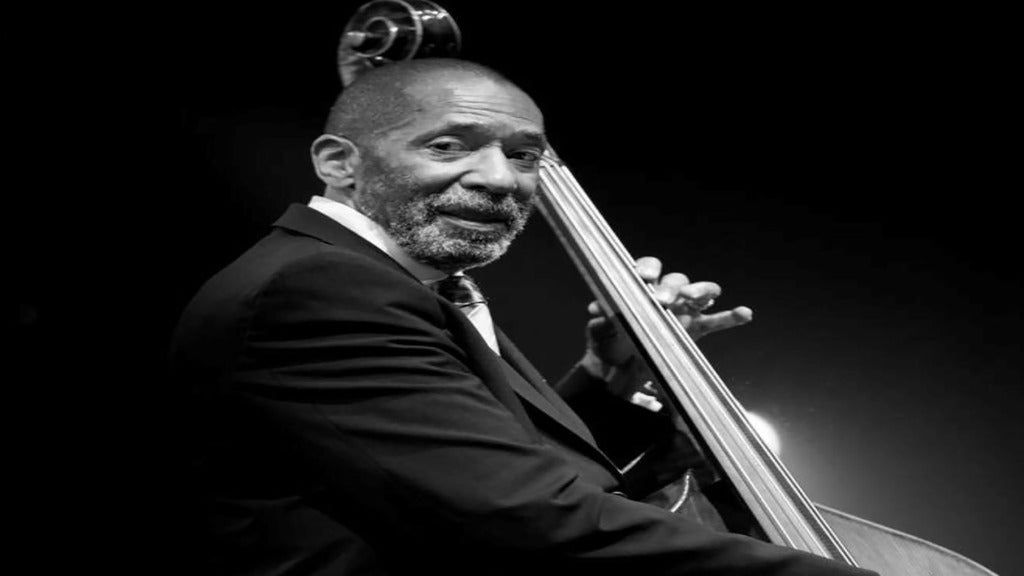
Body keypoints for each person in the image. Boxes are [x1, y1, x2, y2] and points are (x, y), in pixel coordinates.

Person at [171, 57, 878, 575]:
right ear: (338, 163)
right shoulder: (319, 290)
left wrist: (605, 379)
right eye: (448, 145)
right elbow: (527, 515)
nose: (499, 179)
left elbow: (471, 463)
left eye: (524, 156)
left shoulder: (390, 283)